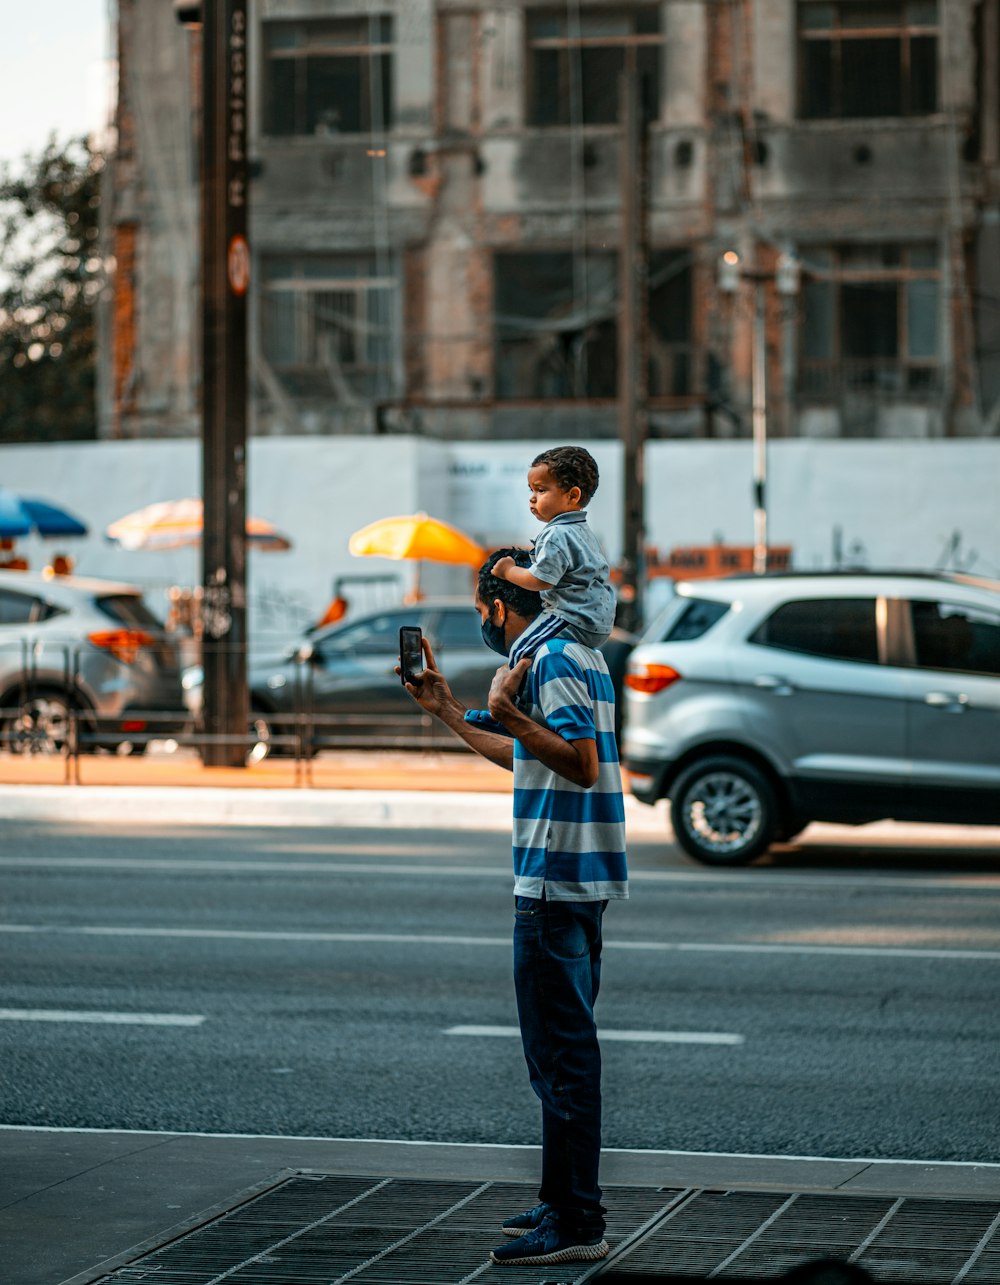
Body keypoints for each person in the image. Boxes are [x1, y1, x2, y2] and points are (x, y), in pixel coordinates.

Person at [400, 548, 628, 1269]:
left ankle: (576, 1216)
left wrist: (502, 707)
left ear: (500, 606)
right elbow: (532, 755)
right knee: (555, 1057)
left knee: (562, 1060)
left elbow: (579, 762)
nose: (481, 625)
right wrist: (446, 710)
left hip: (555, 884)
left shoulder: (554, 657)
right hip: (571, 879)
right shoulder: (573, 650)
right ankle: (562, 1197)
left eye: (480, 612)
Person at [490, 446, 617, 673]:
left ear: (572, 496)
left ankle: (517, 702)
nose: (532, 498)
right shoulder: (583, 531)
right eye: (531, 490)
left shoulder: (556, 533)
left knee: (521, 649)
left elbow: (541, 580)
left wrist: (507, 571)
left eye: (540, 490)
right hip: (596, 622)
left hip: (571, 616)